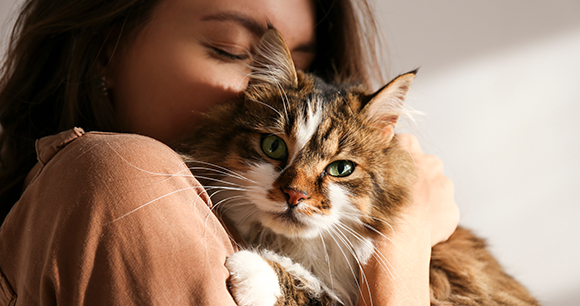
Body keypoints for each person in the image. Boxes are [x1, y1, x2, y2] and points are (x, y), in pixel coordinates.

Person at [0, 0, 459, 304]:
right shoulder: (126, 177)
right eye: (233, 50)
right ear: (106, 48)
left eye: (300, 66)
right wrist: (404, 246)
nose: (270, 89)